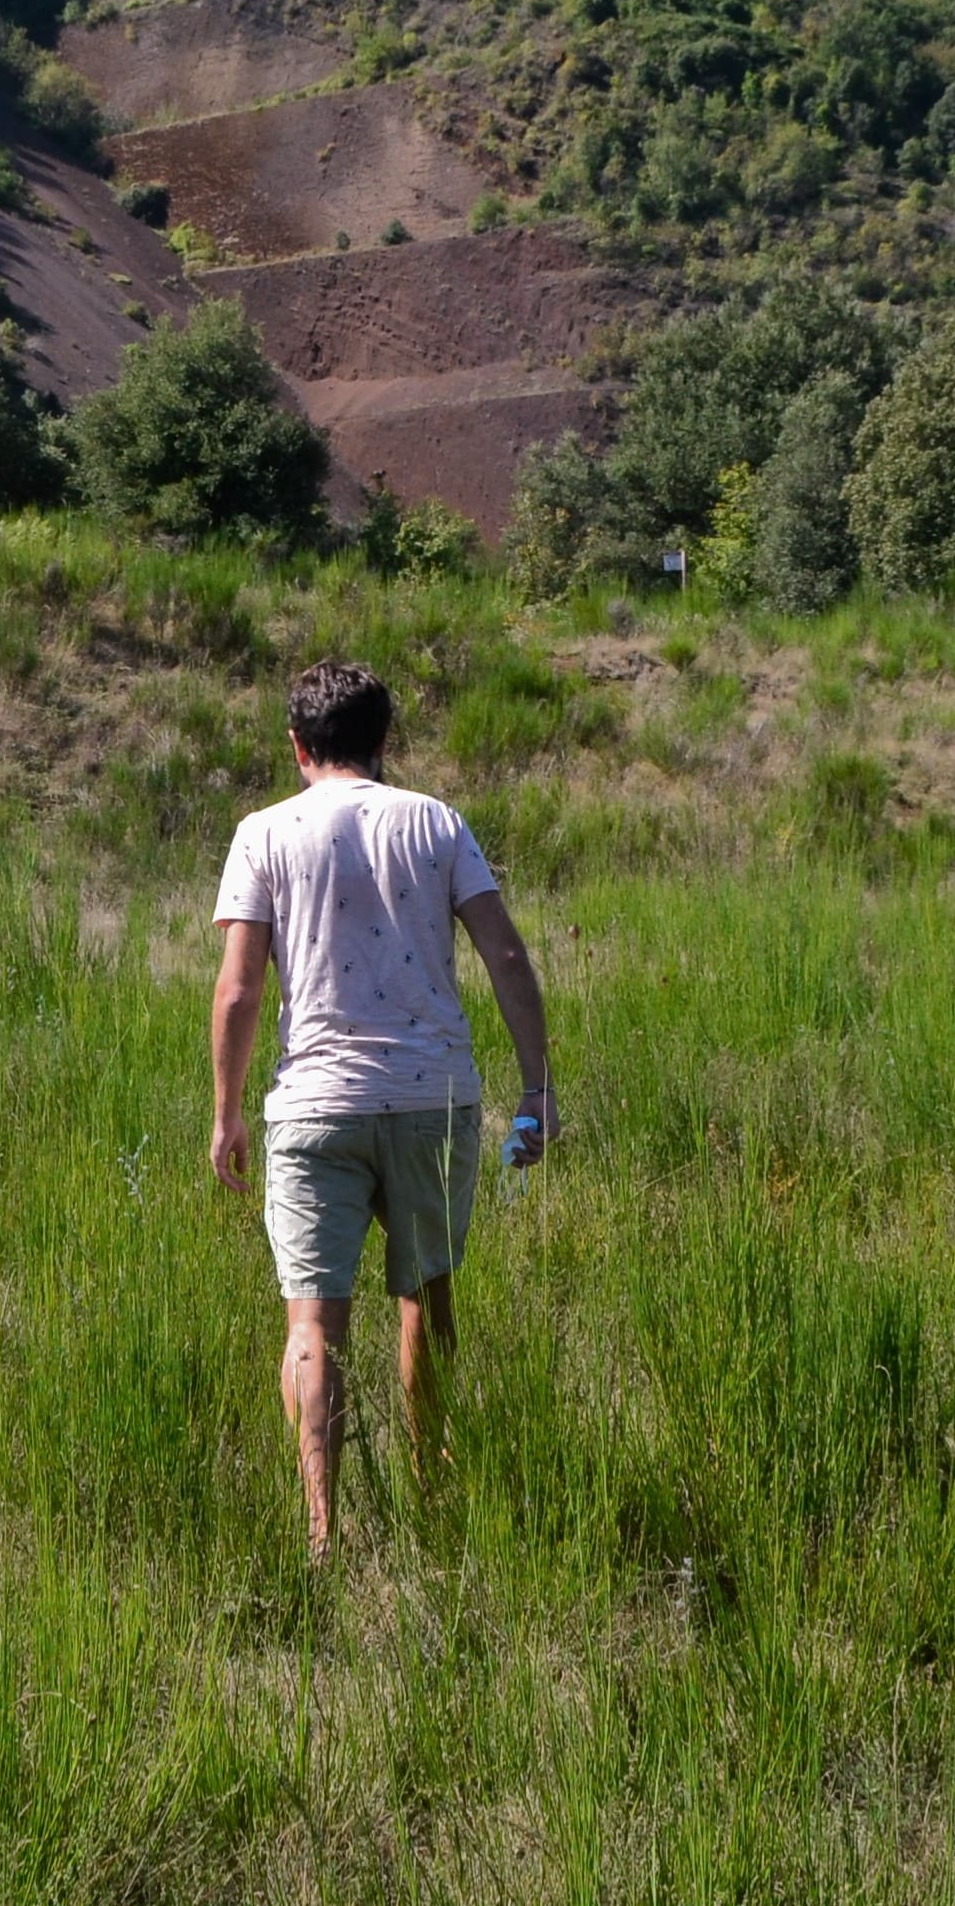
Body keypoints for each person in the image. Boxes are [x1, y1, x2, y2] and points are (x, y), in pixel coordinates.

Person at [208, 658, 556, 1556]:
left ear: (298, 746)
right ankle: (432, 1503)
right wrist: (537, 1088)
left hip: (313, 1106)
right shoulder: (435, 821)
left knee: (312, 1324)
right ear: (383, 739)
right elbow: (506, 956)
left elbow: (240, 989)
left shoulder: (263, 833)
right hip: (432, 1100)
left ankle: (323, 1528)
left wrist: (227, 1111)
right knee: (426, 1300)